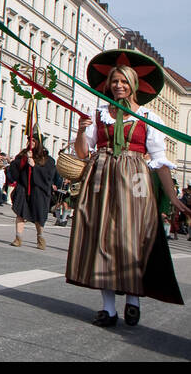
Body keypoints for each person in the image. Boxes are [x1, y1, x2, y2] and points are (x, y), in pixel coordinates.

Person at [66, 49, 187, 327]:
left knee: (132, 240)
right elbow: (83, 154)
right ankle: (108, 309)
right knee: (102, 240)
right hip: (102, 177)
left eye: (124, 82)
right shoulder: (98, 114)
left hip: (135, 180)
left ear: (134, 85)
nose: (119, 86)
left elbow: (158, 161)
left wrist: (171, 196)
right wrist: (81, 130)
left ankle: (133, 299)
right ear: (108, 85)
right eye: (114, 81)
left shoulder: (148, 116)